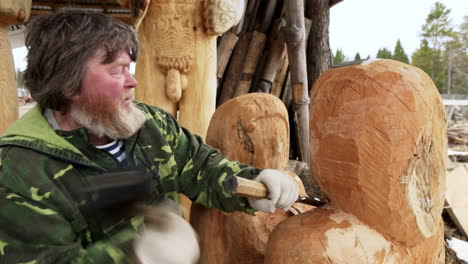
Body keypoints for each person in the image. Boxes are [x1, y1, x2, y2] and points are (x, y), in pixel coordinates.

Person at [0, 10, 299, 263]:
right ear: (68, 84)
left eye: (129, 68)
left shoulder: (149, 124)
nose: (133, 81)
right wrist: (140, 252)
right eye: (117, 71)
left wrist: (255, 183)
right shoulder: (19, 171)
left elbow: (200, 166)